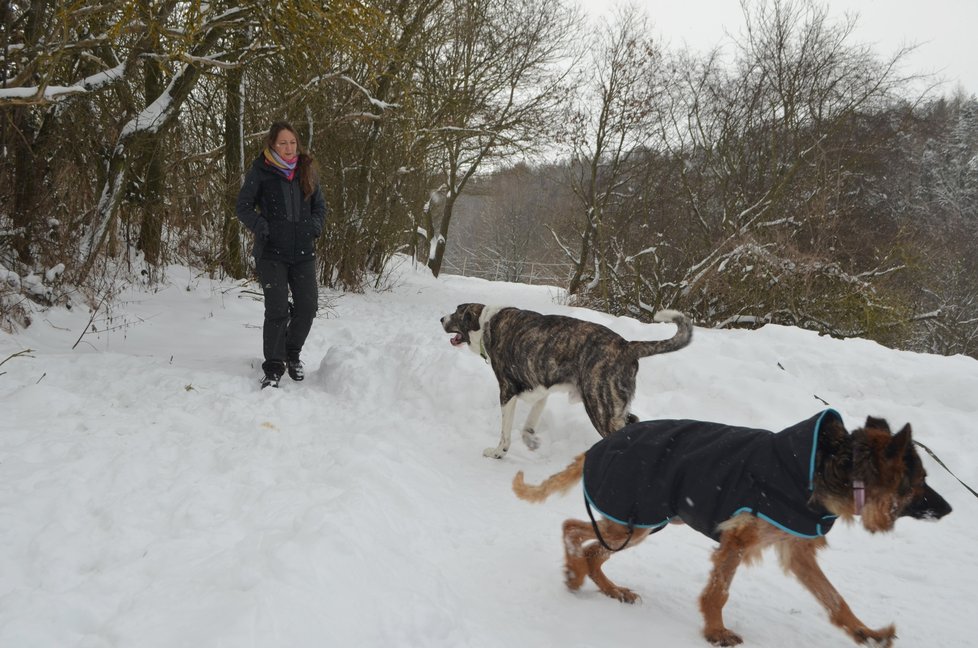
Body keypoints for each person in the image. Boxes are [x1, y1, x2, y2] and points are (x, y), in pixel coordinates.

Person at [236, 121, 327, 388]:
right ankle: (274, 366)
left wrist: (314, 226)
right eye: (282, 143)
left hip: (303, 253)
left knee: (307, 307)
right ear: (272, 145)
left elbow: (320, 206)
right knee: (276, 310)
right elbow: (243, 207)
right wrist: (263, 227)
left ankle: (292, 352)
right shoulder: (261, 171)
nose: (289, 148)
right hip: (272, 253)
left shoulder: (306, 170)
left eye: (292, 143)